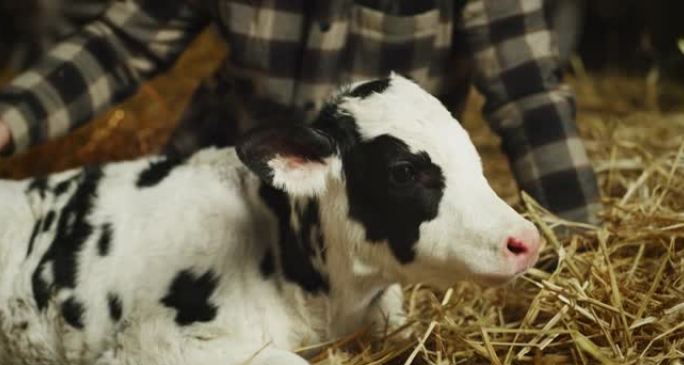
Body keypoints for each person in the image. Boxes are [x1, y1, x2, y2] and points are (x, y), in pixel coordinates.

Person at [0, 0, 601, 225]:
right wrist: (11, 118)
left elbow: (530, 100)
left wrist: (582, 257)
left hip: (378, 220)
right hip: (220, 185)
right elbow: (119, 44)